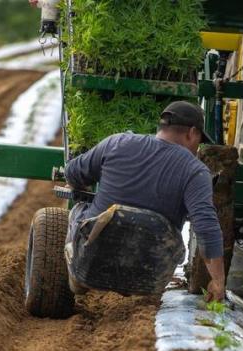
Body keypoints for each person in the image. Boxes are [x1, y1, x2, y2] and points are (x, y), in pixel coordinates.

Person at [64, 101, 226, 301]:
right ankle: (140, 292)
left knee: (78, 210)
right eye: (199, 141)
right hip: (151, 273)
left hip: (94, 258)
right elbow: (206, 226)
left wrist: (82, 186)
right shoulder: (196, 171)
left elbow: (72, 173)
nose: (197, 148)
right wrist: (218, 281)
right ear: (192, 133)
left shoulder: (117, 142)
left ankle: (78, 277)